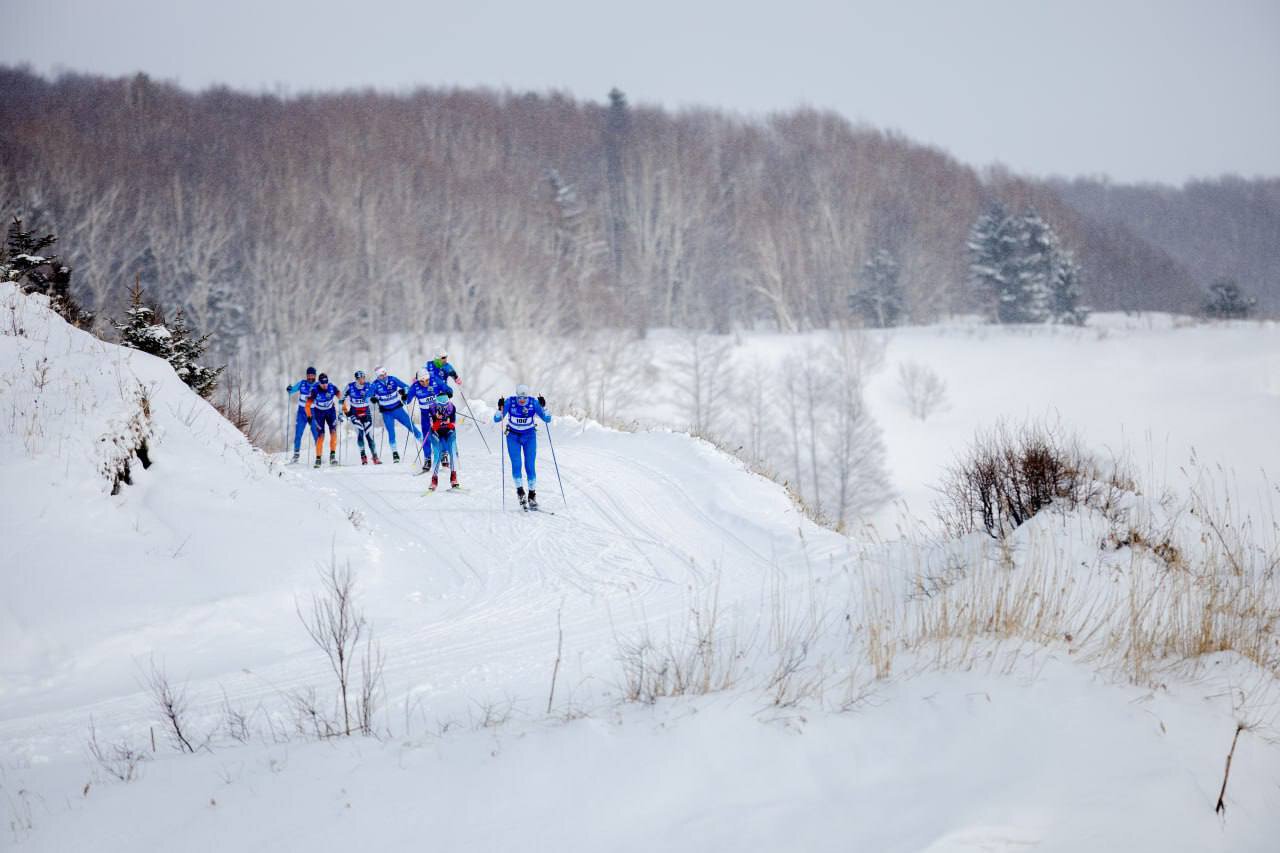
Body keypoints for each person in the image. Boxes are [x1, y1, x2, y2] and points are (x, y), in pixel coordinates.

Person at [493, 384, 551, 509]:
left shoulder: (533, 403)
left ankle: (532, 495)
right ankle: (520, 493)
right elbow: (497, 419)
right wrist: (500, 408)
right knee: (516, 464)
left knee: (530, 465)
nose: (522, 401)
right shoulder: (510, 402)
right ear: (517, 396)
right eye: (520, 398)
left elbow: (547, 419)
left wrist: (543, 406)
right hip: (513, 437)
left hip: (529, 437)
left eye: (524, 398)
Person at [369, 366, 420, 463]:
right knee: (391, 432)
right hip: (386, 412)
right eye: (381, 375)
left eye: (384, 374)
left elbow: (407, 387)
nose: (384, 377)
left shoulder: (393, 379)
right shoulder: (374, 384)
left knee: (411, 426)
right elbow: (368, 395)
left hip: (398, 409)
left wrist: (404, 392)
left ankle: (424, 443)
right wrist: (372, 398)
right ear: (377, 376)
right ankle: (395, 453)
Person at [343, 370, 381, 465]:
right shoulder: (350, 386)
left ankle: (375, 457)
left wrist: (375, 398)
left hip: (366, 412)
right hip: (354, 413)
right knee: (360, 434)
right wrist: (345, 410)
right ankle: (363, 457)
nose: (362, 380)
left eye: (363, 378)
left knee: (369, 436)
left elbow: (377, 394)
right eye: (360, 379)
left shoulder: (369, 385)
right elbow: (341, 399)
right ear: (356, 379)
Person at [404, 371, 440, 471]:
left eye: (427, 380)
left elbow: (445, 388)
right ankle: (427, 459)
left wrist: (448, 392)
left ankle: (444, 456)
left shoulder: (435, 380)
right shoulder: (415, 386)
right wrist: (404, 397)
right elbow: (408, 399)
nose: (425, 383)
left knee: (441, 434)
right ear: (418, 380)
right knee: (426, 436)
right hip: (425, 416)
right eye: (422, 381)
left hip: (437, 413)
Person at [425, 392, 461, 491]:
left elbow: (453, 425)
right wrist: (438, 419)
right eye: (441, 406)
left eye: (445, 405)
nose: (443, 408)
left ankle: (453, 477)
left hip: (449, 432)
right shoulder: (431, 408)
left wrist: (446, 423)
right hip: (436, 433)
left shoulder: (452, 407)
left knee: (452, 452)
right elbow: (433, 426)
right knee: (437, 454)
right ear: (437, 404)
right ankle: (434, 479)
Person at [308, 373, 344, 468]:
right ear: (319, 382)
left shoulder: (332, 387)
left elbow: (341, 396)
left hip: (330, 412)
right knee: (321, 436)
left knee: (333, 432)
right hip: (319, 413)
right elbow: (307, 405)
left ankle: (332, 456)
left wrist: (344, 410)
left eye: (326, 382)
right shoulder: (314, 390)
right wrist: (309, 416)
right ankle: (318, 458)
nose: (325, 384)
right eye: (322, 383)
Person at [285, 366, 319, 463]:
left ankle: (319, 455)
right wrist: (289, 389)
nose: (310, 377)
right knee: (298, 433)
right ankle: (296, 455)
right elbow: (292, 390)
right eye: (308, 375)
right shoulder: (302, 383)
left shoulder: (318, 385)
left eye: (312, 375)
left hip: (313, 412)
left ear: (315, 376)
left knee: (316, 433)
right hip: (302, 412)